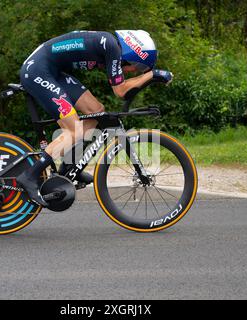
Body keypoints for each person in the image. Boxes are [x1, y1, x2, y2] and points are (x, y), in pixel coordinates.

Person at [17, 30, 173, 206]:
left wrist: (148, 76)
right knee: (74, 129)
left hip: (52, 71)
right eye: (139, 66)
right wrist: (152, 75)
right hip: (39, 70)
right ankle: (29, 175)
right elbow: (120, 91)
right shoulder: (112, 47)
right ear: (133, 53)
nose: (133, 71)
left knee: (96, 111)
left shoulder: (109, 45)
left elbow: (123, 90)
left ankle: (68, 167)